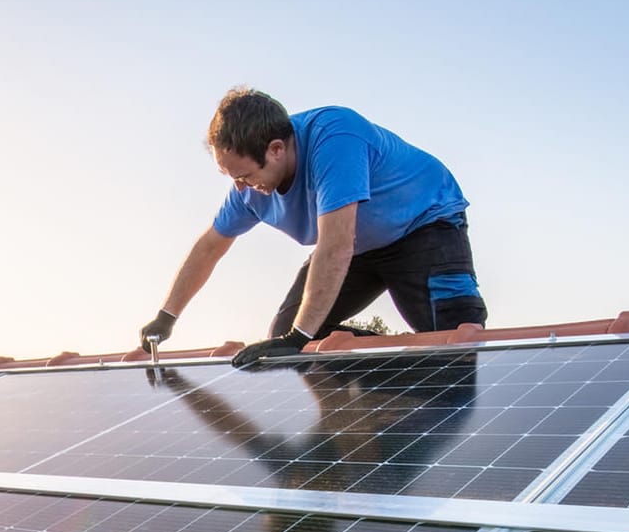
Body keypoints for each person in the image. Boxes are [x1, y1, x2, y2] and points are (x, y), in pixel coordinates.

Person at [140, 88, 487, 368]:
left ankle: (430, 365)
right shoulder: (247, 192)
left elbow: (336, 245)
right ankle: (390, 390)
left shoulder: (335, 139)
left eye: (245, 175)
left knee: (455, 341)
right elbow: (210, 247)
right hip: (358, 249)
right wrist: (166, 317)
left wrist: (299, 337)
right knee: (286, 337)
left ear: (276, 149)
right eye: (232, 178)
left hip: (422, 225)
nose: (241, 188)